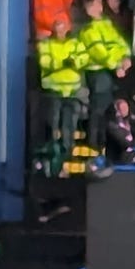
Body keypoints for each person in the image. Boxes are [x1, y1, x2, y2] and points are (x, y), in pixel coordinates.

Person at [76, 0, 132, 152]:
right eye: (96, 3)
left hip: (110, 72)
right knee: (98, 107)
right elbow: (99, 52)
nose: (100, 6)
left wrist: (126, 57)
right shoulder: (88, 30)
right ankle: (93, 143)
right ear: (88, 8)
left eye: (100, 3)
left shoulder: (107, 25)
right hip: (98, 72)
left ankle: (102, 142)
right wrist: (116, 65)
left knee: (107, 107)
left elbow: (120, 43)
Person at [37, 16, 87, 176]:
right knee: (53, 124)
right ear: (53, 29)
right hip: (54, 92)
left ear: (67, 28)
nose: (59, 31)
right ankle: (53, 159)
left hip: (72, 93)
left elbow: (84, 58)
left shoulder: (76, 44)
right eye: (57, 27)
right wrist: (63, 63)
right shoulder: (47, 45)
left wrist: (74, 61)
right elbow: (45, 61)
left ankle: (66, 157)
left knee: (69, 126)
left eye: (62, 27)